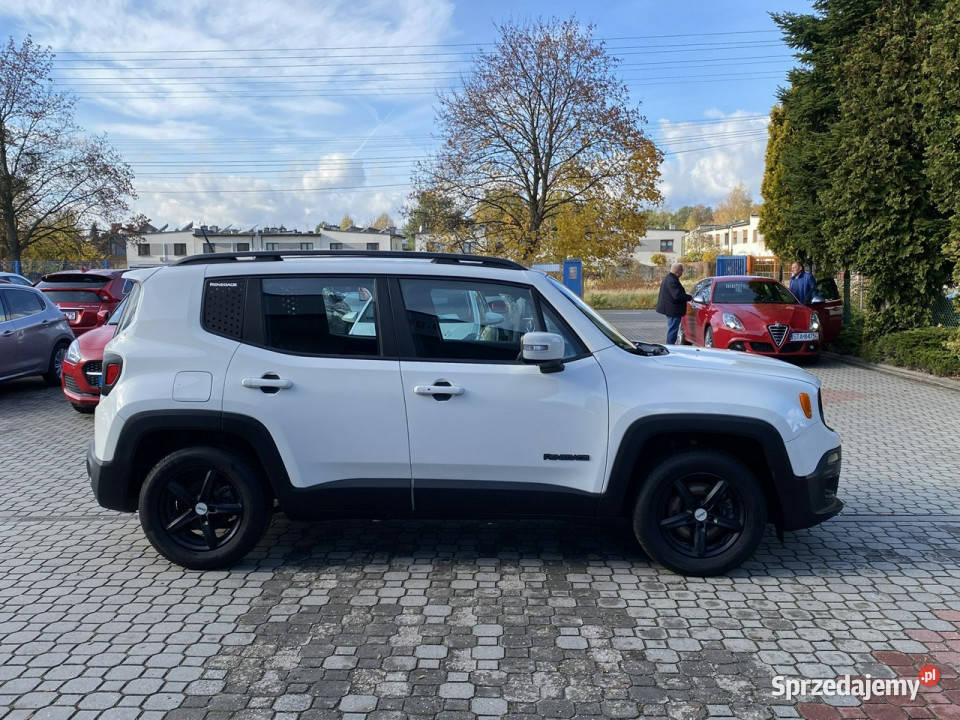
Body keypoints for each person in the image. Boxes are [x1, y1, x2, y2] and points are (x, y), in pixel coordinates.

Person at [656, 262, 693, 344]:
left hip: (671, 308)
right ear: (678, 271)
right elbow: (677, 295)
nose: (682, 273)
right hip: (673, 310)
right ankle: (670, 347)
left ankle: (670, 345)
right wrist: (689, 297)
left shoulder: (669, 278)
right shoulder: (672, 280)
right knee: (673, 331)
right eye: (682, 270)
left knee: (672, 329)